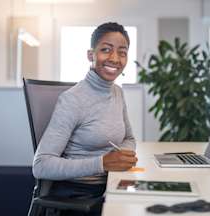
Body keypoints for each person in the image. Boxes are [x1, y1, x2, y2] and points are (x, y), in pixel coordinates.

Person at [32, 22, 138, 215]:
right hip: (79, 196)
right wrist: (102, 163)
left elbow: (129, 139)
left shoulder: (118, 93)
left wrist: (121, 158)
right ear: (91, 55)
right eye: (106, 50)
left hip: (111, 185)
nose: (115, 58)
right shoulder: (72, 99)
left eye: (122, 52)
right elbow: (41, 165)